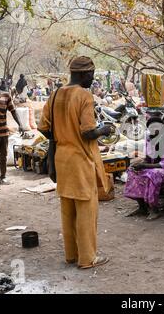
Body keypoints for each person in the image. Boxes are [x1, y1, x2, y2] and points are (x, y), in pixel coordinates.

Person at [38, 56, 114, 269]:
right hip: (80, 160)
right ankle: (88, 258)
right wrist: (104, 130)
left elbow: (45, 129)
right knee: (86, 210)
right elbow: (88, 132)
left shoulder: (54, 95)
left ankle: (71, 255)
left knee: (68, 209)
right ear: (82, 73)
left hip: (61, 159)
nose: (93, 78)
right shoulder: (84, 96)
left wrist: (55, 154)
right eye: (91, 73)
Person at [124, 115, 164, 220]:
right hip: (159, 167)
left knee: (152, 174)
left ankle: (154, 209)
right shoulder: (150, 139)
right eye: (151, 127)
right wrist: (141, 164)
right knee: (132, 170)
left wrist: (144, 165)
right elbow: (148, 158)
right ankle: (142, 207)